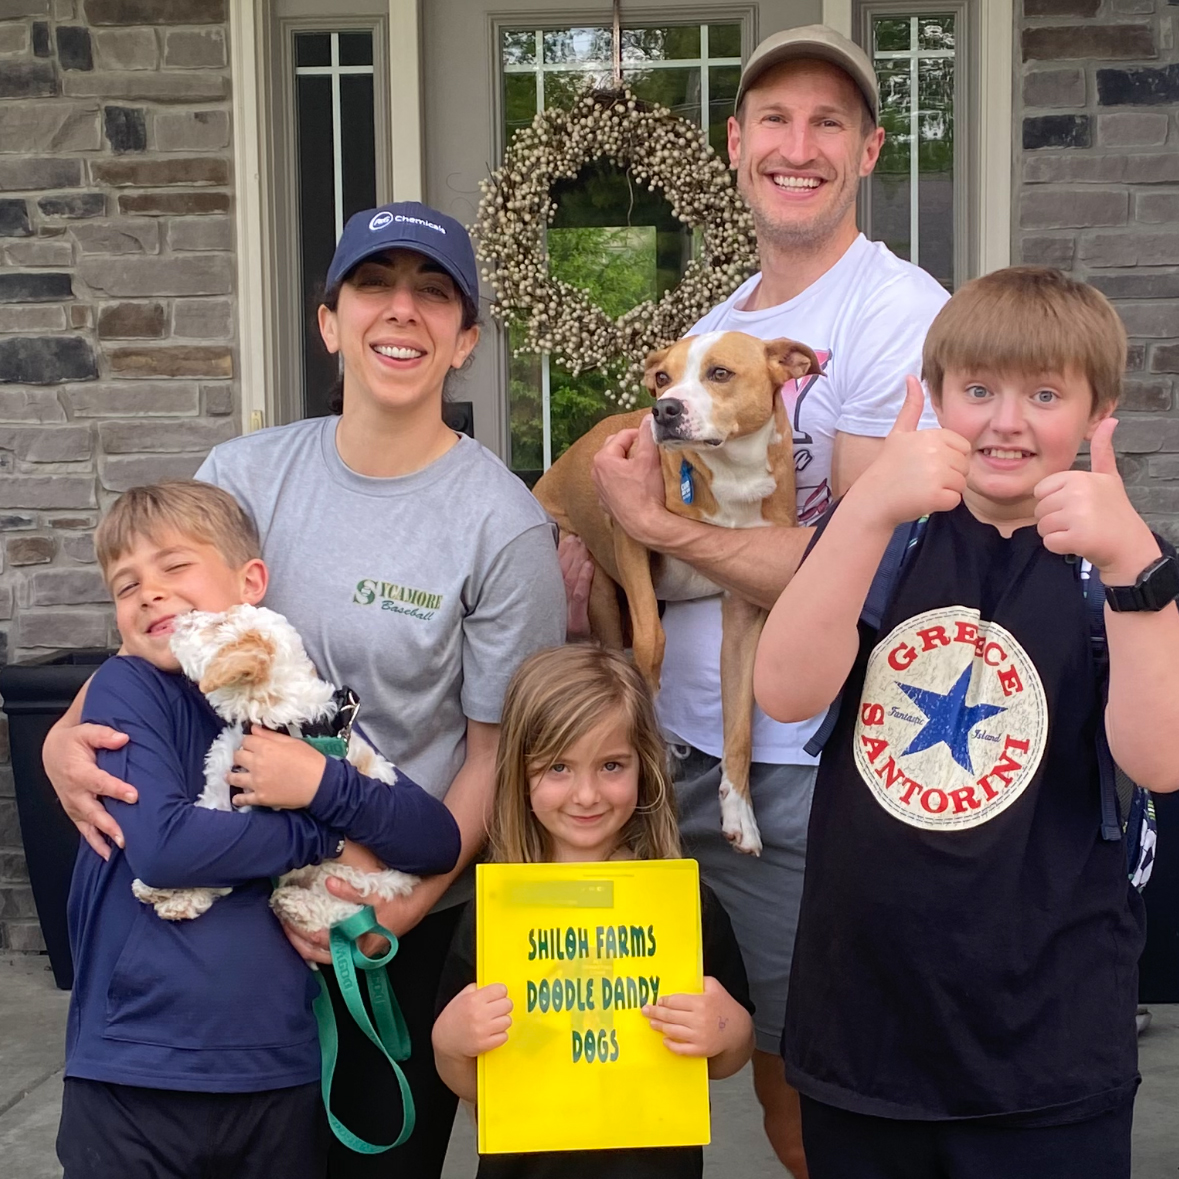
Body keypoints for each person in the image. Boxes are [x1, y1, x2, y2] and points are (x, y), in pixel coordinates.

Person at [43, 201, 567, 1178]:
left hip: (383, 916)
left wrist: (397, 915)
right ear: (330, 321)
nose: (401, 311)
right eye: (375, 284)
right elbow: (157, 642)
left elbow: (497, 758)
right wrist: (55, 741)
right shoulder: (243, 477)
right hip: (222, 910)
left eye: (433, 292)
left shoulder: (502, 526)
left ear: (465, 339)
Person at [579, 25, 949, 1174]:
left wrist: (652, 527)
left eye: (829, 122)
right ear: (737, 146)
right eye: (776, 122)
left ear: (872, 149)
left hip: (800, 760)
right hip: (663, 750)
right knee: (646, 1055)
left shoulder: (895, 313)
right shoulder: (722, 328)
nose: (800, 146)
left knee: (813, 1082)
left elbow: (862, 565)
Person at [754, 267, 1179, 1178]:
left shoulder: (1130, 566)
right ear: (934, 395)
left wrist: (1132, 564)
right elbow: (784, 691)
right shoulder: (883, 537)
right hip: (867, 1026)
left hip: (1048, 1048)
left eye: (1044, 393)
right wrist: (867, 503)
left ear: (1098, 411)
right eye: (977, 390)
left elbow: (1160, 757)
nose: (1006, 420)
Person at [57, 480, 461, 1179]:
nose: (149, 591)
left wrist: (322, 783)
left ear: (250, 583)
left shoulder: (296, 701)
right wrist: (321, 836)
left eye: (173, 566)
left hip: (277, 1064)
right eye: (126, 584)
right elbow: (165, 848)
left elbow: (435, 840)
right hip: (135, 1067)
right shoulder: (129, 688)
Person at [432, 643, 755, 1178]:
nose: (586, 794)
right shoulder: (496, 912)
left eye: (611, 766)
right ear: (521, 772)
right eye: (558, 767)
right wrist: (452, 1042)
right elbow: (473, 1079)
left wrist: (723, 1027)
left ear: (644, 767)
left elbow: (728, 1056)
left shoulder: (681, 903)